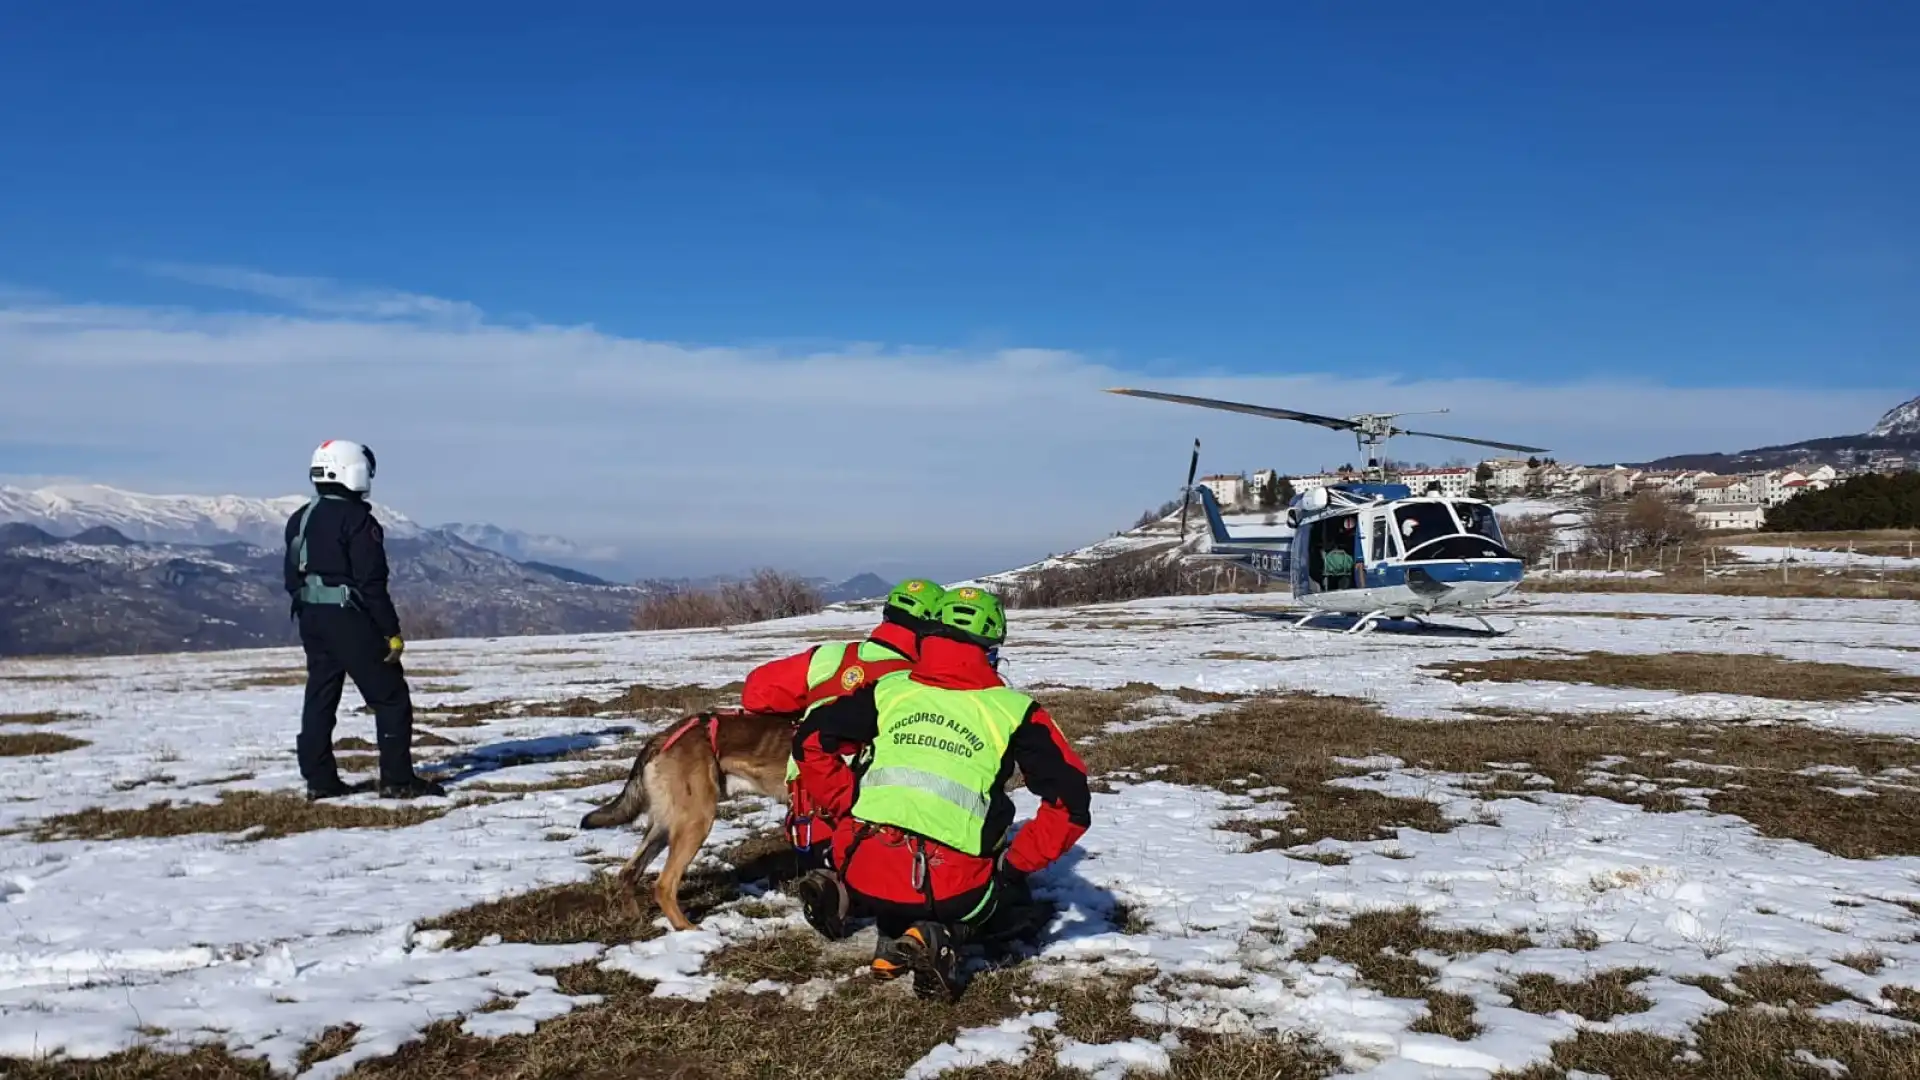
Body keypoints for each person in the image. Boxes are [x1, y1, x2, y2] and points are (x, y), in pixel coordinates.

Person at [789, 586, 1092, 1000]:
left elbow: (809, 741)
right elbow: (1071, 804)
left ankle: (869, 915)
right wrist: (1015, 865)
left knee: (890, 873)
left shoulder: (889, 691)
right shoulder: (1016, 711)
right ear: (990, 649)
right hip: (950, 883)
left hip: (860, 858)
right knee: (1004, 902)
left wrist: (845, 807)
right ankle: (937, 935)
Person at [741, 579, 945, 871]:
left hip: (809, 829)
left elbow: (755, 692)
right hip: (885, 835)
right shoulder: (921, 683)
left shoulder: (829, 657)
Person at [285, 439, 444, 801]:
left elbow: (290, 576)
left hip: (311, 616)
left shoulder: (301, 517)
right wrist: (391, 631)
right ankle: (398, 780)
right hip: (350, 618)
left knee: (321, 695)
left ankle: (319, 780)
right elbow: (372, 583)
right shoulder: (357, 520)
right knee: (390, 697)